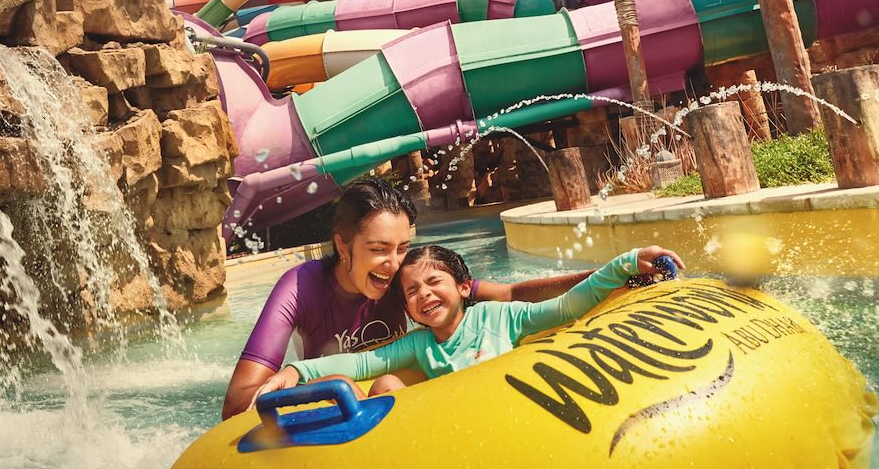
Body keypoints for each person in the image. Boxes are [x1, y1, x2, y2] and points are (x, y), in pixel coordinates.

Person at [221, 175, 594, 418]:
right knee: (349, 384)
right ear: (343, 245)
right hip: (339, 406)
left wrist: (602, 277)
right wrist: (313, 380)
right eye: (380, 248)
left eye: (402, 247)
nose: (394, 263)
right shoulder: (300, 288)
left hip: (401, 405)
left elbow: (510, 293)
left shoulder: (406, 281)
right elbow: (237, 403)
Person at [255, 241, 682, 397]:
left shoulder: (498, 318)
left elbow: (565, 308)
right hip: (457, 435)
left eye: (433, 282)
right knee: (384, 384)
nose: (424, 294)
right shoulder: (421, 345)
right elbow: (361, 364)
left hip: (513, 413)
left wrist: (624, 263)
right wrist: (296, 369)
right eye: (412, 292)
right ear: (407, 309)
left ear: (463, 287)